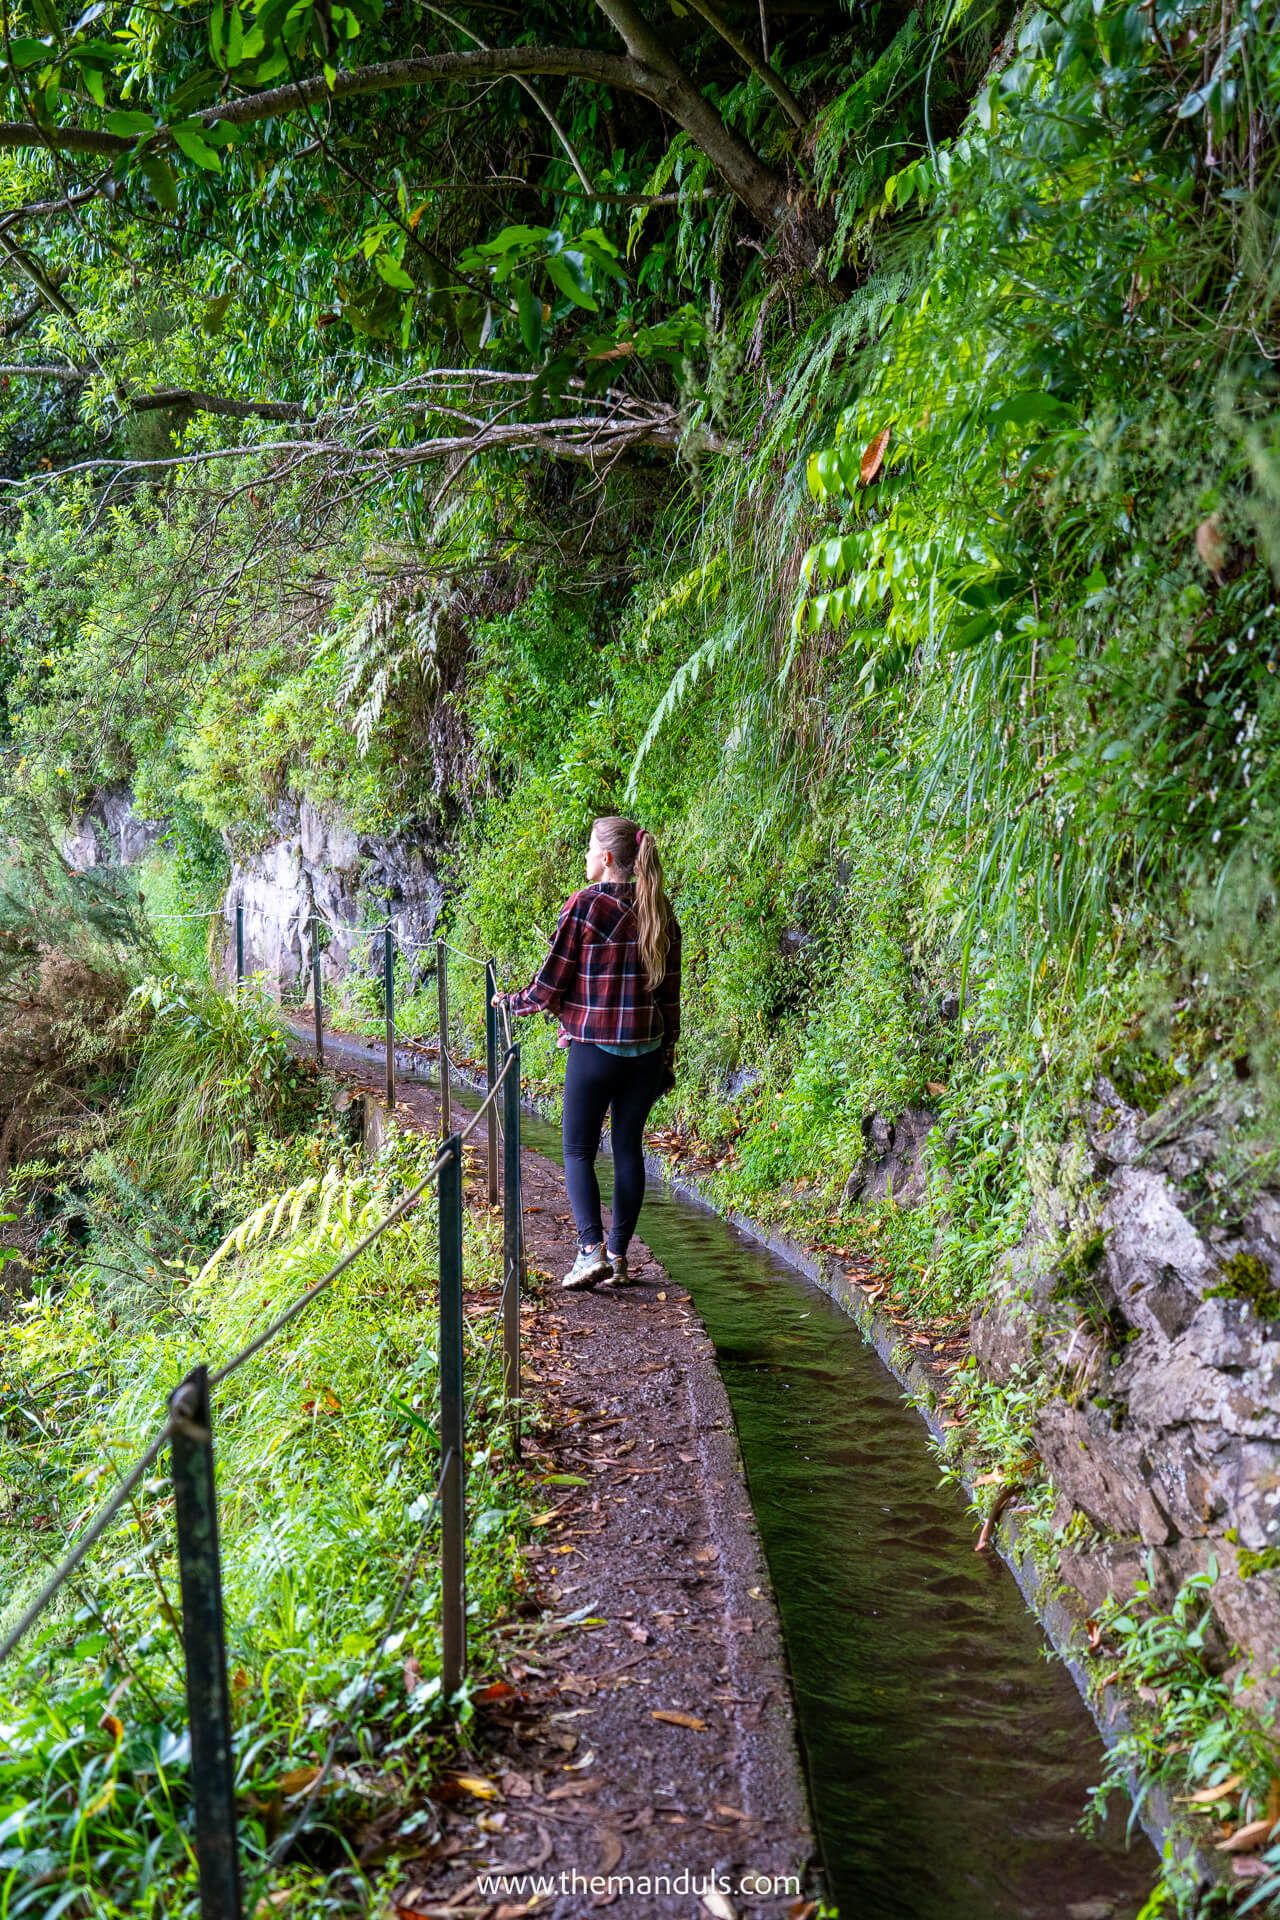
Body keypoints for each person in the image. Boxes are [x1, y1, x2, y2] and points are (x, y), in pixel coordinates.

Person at [493, 815, 681, 1290]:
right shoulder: (658, 908)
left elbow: (550, 982)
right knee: (627, 1149)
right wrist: (667, 1060)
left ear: (606, 858)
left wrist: (509, 1002)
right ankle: (618, 1258)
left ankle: (589, 1250)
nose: (584, 857)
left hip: (594, 1051)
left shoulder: (584, 906)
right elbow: (670, 998)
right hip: (646, 1054)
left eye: (588, 848)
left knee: (577, 1149)